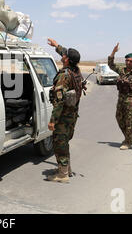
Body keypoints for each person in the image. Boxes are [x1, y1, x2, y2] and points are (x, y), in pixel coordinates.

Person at [46, 38, 83, 183]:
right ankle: (66, 168)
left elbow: (60, 101)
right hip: (72, 115)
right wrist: (57, 46)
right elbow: (66, 53)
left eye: (64, 55)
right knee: (65, 141)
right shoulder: (76, 71)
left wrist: (52, 121)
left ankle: (62, 175)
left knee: (59, 143)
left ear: (67, 60)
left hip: (62, 117)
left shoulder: (64, 75)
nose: (63, 56)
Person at [108, 43, 132, 150]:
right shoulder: (121, 71)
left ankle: (128, 141)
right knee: (119, 118)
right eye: (127, 60)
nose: (128, 62)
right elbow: (110, 64)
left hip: (131, 100)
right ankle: (130, 136)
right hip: (121, 98)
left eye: (130, 61)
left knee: (129, 121)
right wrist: (113, 52)